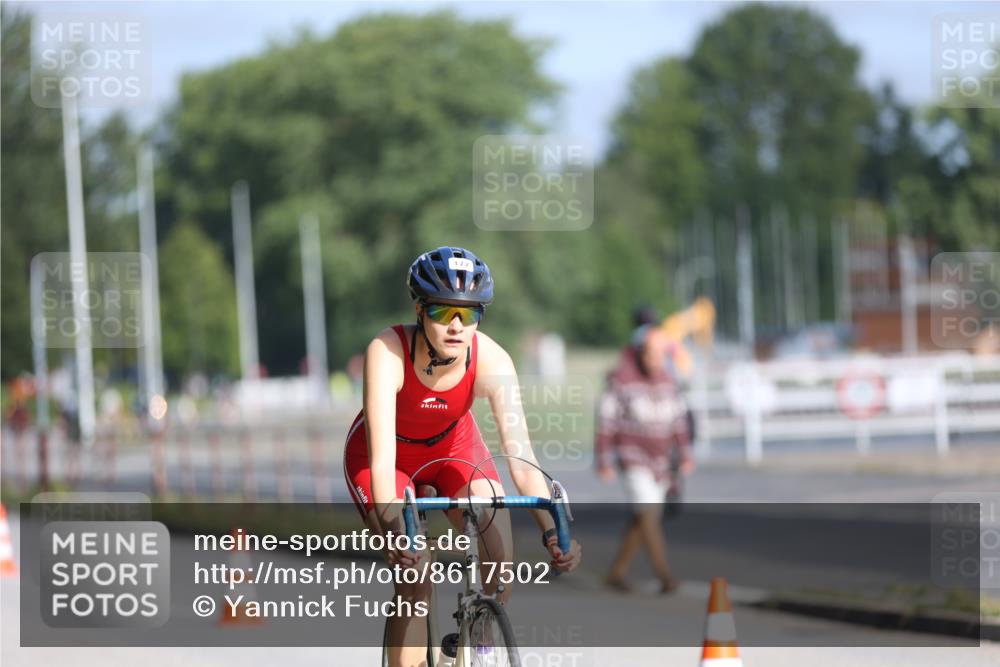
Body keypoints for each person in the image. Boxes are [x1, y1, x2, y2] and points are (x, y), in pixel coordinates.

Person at [343, 246, 582, 667]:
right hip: (386, 458)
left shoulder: (492, 359)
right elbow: (381, 463)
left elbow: (522, 460)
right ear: (420, 310)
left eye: (468, 314)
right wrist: (398, 534)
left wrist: (554, 534)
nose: (456, 326)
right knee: (415, 577)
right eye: (443, 312)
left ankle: (476, 641)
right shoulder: (387, 350)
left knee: (500, 564)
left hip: (453, 447)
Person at [596, 323, 693, 593]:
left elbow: (679, 421)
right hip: (632, 458)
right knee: (648, 514)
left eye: (660, 353)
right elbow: (606, 422)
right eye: (650, 353)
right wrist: (604, 460)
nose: (655, 359)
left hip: (661, 462)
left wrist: (685, 453)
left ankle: (616, 573)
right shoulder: (621, 380)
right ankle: (665, 575)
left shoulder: (668, 380)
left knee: (643, 518)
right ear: (640, 352)